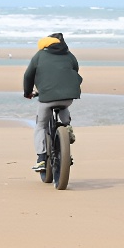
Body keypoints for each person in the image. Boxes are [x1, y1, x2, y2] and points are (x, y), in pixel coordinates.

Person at [22, 32, 82, 172]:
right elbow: (75, 70)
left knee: (41, 126)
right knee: (63, 105)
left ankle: (41, 159)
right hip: (68, 96)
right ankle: (67, 127)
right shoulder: (69, 55)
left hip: (47, 97)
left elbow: (28, 75)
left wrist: (28, 93)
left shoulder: (40, 55)